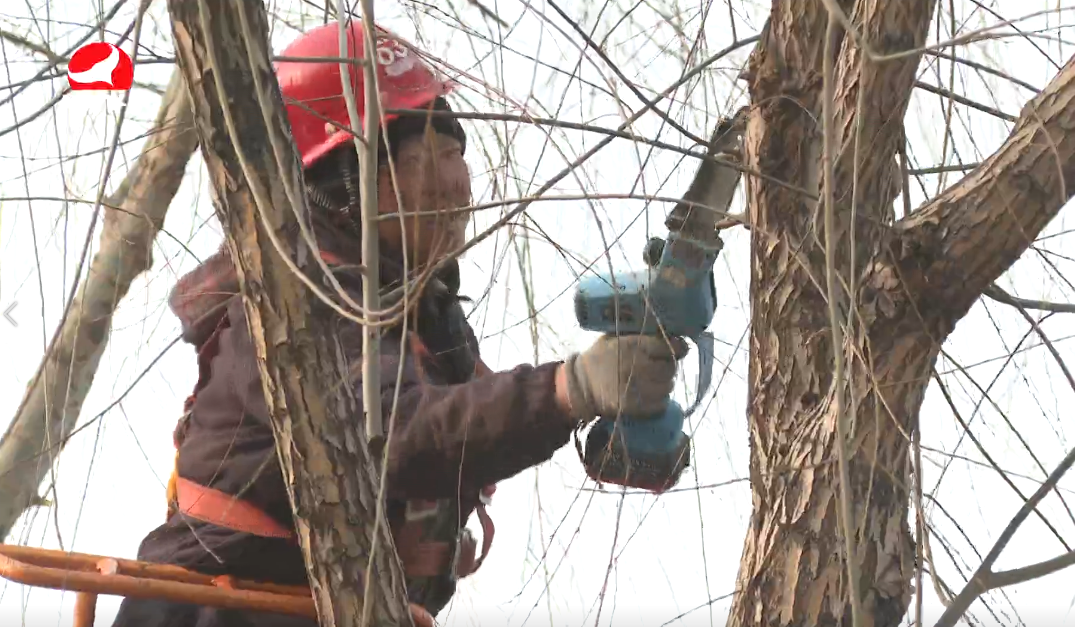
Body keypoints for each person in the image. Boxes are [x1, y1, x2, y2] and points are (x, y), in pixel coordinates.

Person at [109, 19, 685, 627]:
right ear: (339, 185)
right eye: (419, 158)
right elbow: (394, 433)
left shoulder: (420, 319)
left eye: (453, 153)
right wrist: (570, 388)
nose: (451, 182)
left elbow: (465, 425)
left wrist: (619, 407)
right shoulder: (293, 308)